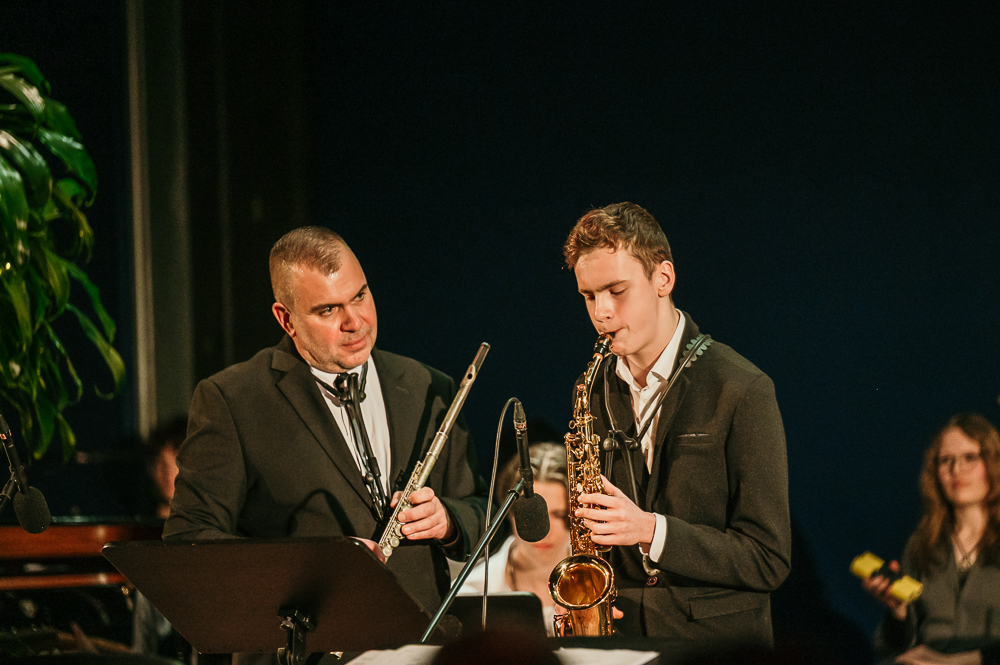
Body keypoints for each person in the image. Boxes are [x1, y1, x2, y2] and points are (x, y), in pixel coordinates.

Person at [164, 227, 490, 656]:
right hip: (303, 653)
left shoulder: (428, 385)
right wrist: (315, 566)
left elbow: (479, 509)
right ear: (286, 319)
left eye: (360, 296)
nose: (355, 322)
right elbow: (189, 540)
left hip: (422, 646)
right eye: (328, 310)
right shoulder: (233, 399)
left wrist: (448, 521)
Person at [562, 202, 791, 648]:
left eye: (616, 290)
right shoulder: (592, 388)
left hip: (717, 648)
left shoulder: (741, 388)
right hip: (625, 640)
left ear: (663, 278)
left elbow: (768, 559)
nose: (601, 312)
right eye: (589, 296)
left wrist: (651, 530)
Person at [865, 413, 1000, 665]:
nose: (956, 470)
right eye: (946, 460)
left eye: (969, 458)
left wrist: (954, 663)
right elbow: (892, 648)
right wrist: (898, 610)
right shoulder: (923, 545)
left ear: (993, 462)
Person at [457, 442, 571, 635]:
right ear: (508, 511)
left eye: (559, 515)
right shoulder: (471, 592)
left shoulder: (608, 583)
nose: (544, 531)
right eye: (532, 515)